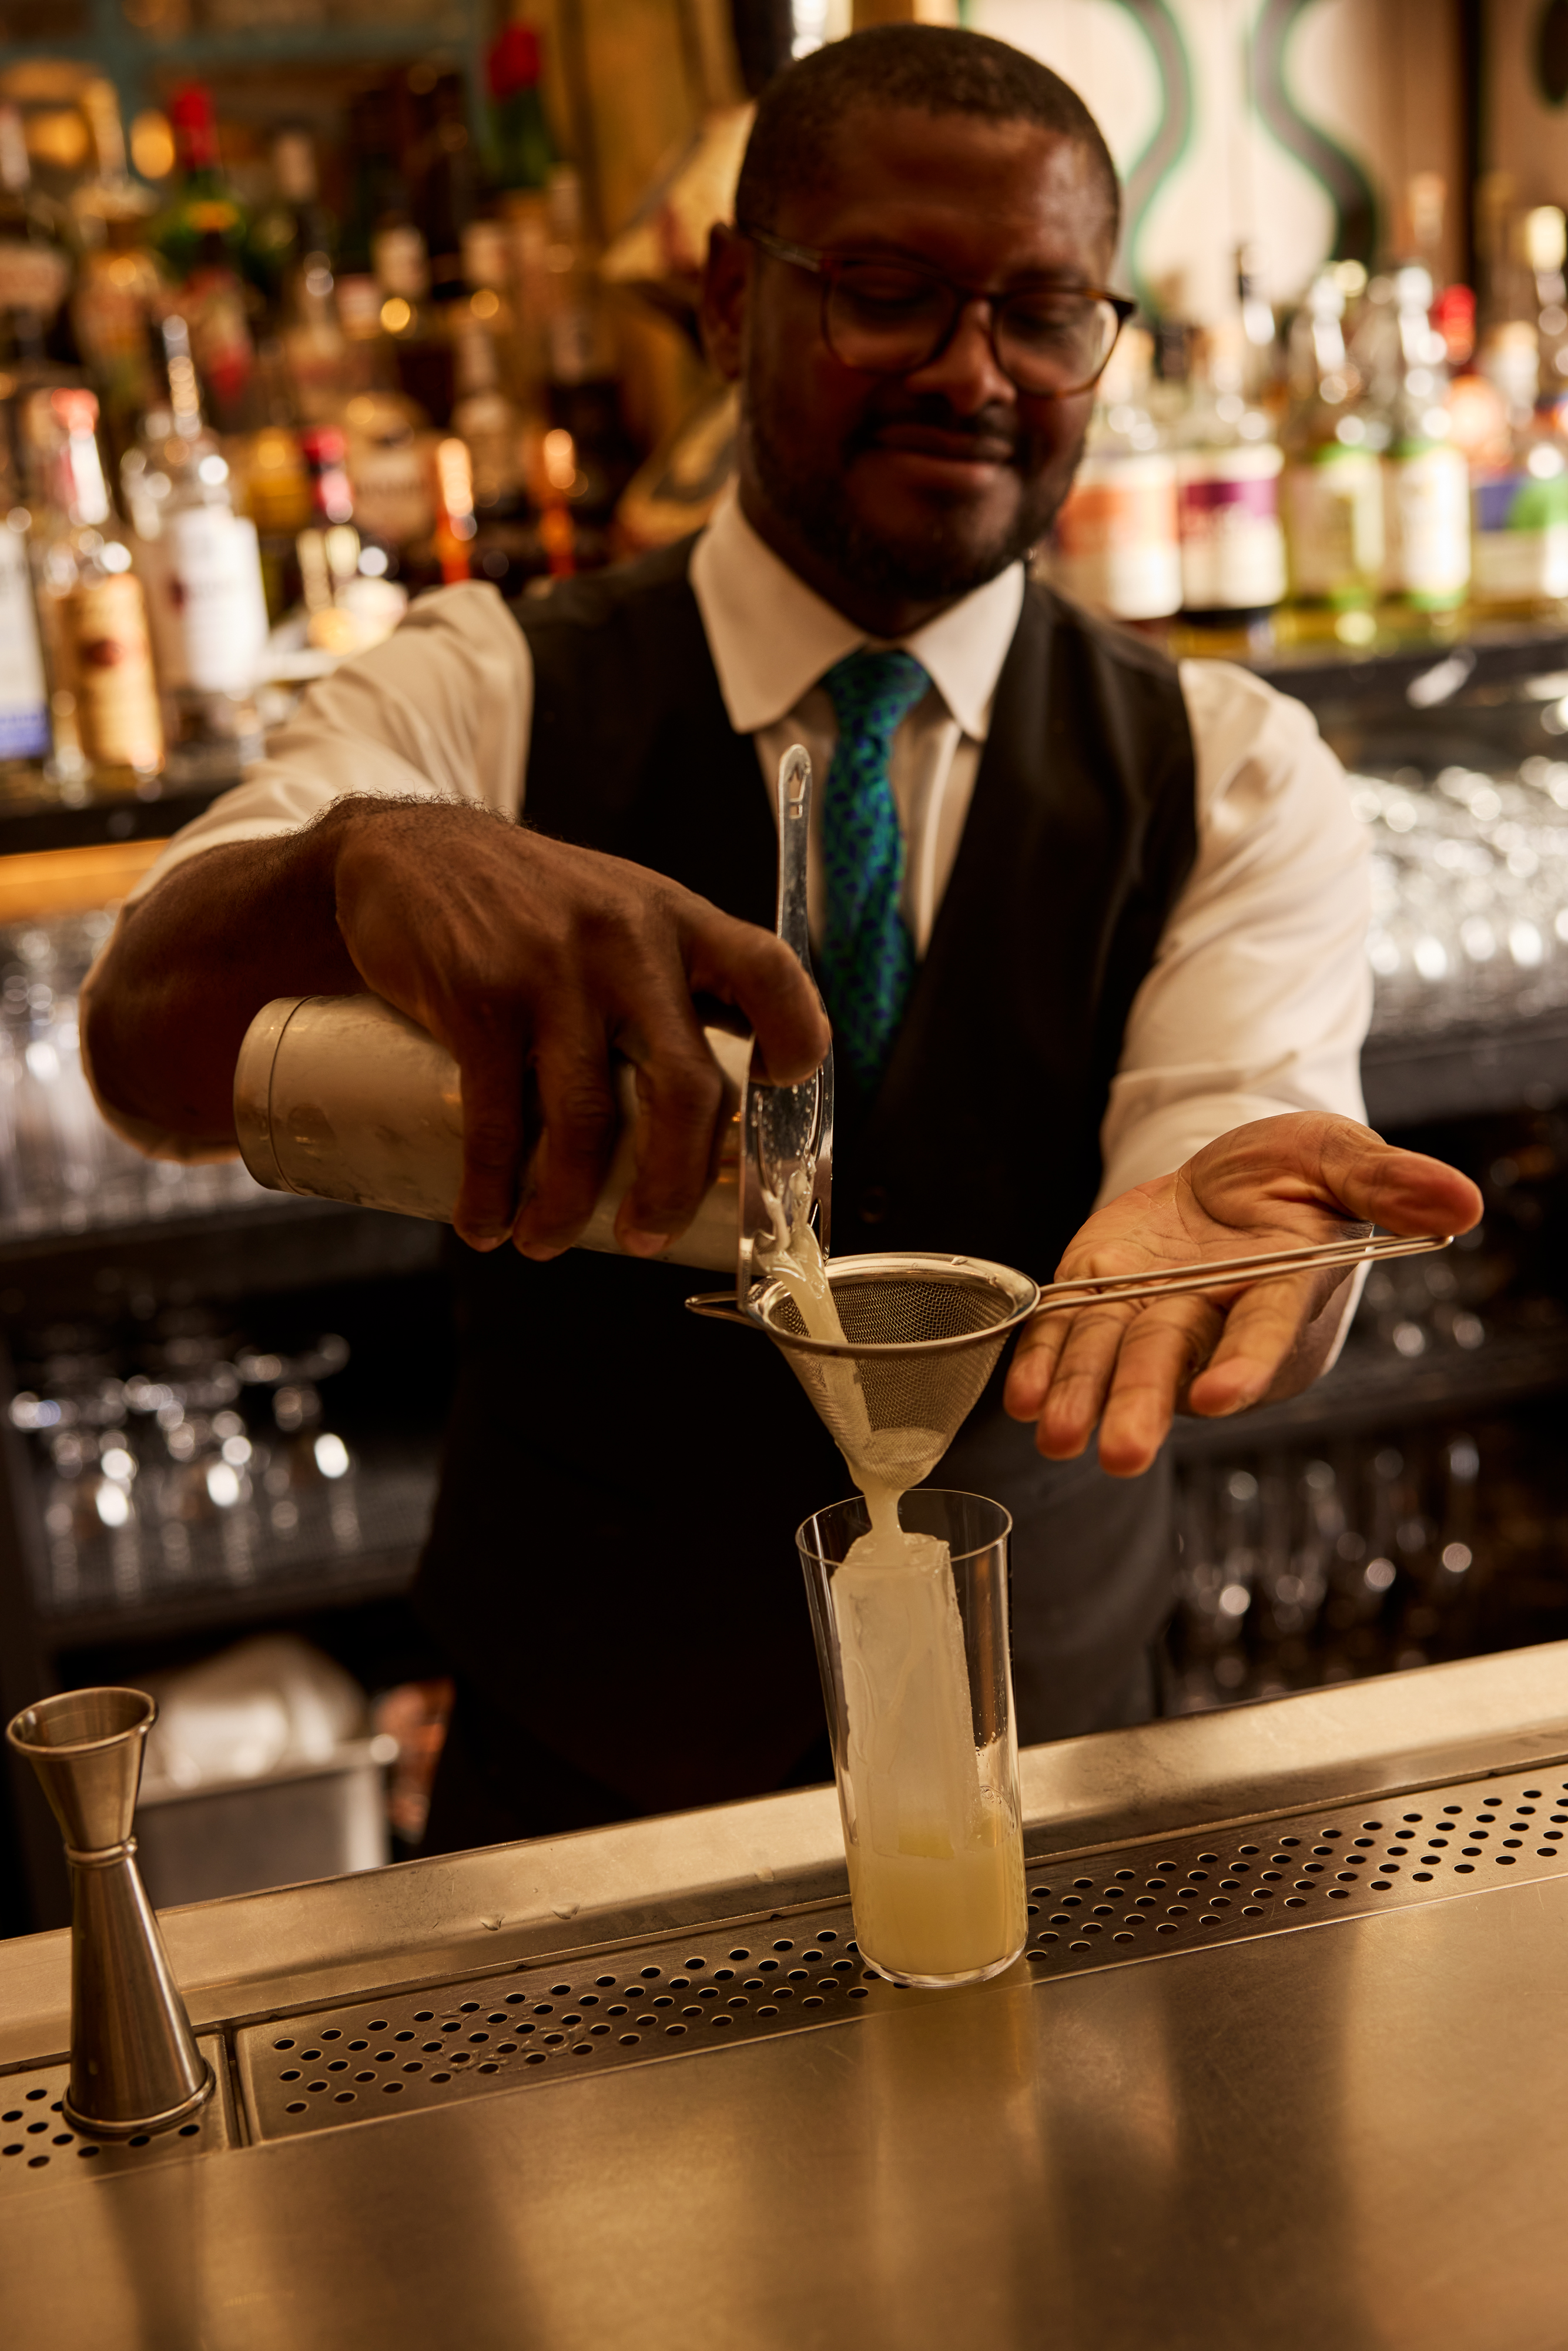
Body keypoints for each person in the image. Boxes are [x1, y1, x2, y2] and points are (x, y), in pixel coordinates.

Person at [83, 27, 1479, 1848]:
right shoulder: (486, 692)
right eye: (891, 296)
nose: (974, 375)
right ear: (733, 293)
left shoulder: (1224, 767)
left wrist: (1230, 1218)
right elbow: (141, 1060)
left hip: (1052, 1776)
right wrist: (350, 866)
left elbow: (1217, 1126)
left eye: (1047, 313)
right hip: (579, 1792)